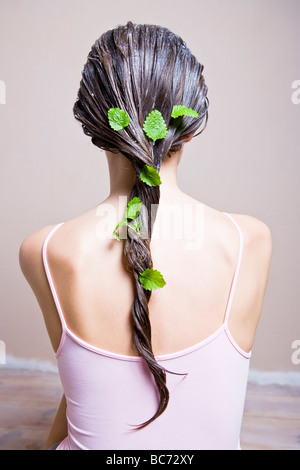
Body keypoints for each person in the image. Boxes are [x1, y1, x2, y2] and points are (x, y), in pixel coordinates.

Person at [19, 22, 272, 450]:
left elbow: (83, 380)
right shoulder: (251, 242)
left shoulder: (45, 251)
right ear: (190, 127)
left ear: (94, 126)